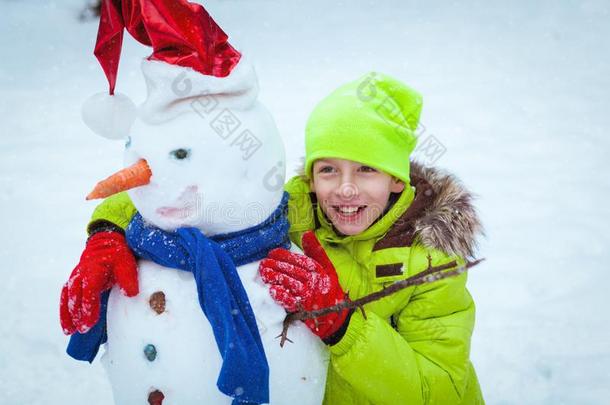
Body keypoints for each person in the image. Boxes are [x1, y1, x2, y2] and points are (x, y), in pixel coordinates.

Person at [60, 72, 484, 404]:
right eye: (328, 169)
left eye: (367, 170)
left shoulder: (434, 262)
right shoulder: (296, 207)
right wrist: (107, 230)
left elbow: (437, 390)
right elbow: (206, 197)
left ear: (396, 179)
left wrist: (342, 325)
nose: (345, 189)